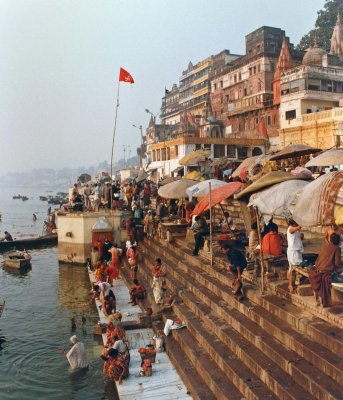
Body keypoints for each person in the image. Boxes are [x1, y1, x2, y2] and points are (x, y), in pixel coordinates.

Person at [309, 233, 342, 307]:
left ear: (330, 240)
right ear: (339, 241)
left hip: (316, 270)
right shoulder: (337, 248)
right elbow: (337, 263)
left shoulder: (324, 246)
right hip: (324, 272)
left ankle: (318, 300)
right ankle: (322, 300)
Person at [286, 219, 304, 293]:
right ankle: (291, 285)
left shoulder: (295, 230)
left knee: (292, 269)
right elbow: (298, 227)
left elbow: (299, 237)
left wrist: (301, 236)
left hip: (296, 251)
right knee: (294, 269)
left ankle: (291, 284)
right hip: (293, 252)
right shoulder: (290, 228)